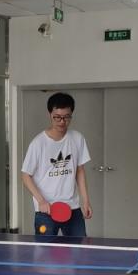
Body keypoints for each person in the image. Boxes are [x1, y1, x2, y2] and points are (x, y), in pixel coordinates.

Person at [20, 92, 93, 237]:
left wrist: (85, 201)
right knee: (44, 251)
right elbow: (25, 175)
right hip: (46, 210)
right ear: (50, 115)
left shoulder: (77, 138)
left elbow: (79, 171)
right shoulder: (38, 143)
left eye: (66, 117)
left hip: (73, 208)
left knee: (80, 249)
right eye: (57, 117)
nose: (62, 121)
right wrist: (41, 201)